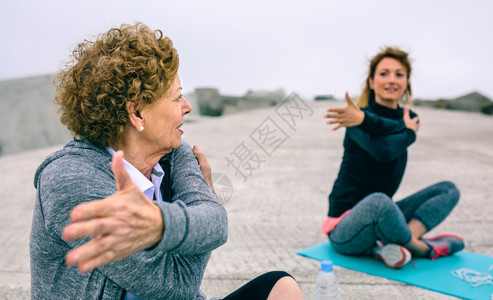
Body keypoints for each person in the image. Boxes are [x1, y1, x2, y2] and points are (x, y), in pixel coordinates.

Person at [30, 23, 303, 299]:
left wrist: (163, 224)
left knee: (282, 287)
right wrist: (194, 212)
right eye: (177, 97)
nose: (187, 106)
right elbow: (174, 287)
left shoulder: (175, 153)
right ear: (137, 113)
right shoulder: (69, 180)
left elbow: (216, 225)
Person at [322, 47, 464, 269]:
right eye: (384, 73)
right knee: (379, 201)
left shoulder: (410, 117)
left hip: (383, 218)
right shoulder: (354, 117)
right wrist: (407, 132)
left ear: (407, 82)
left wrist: (401, 127)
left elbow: (390, 137)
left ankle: (407, 241)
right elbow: (384, 151)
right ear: (371, 82)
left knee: (448, 189)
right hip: (346, 227)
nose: (392, 80)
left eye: (399, 74)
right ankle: (419, 248)